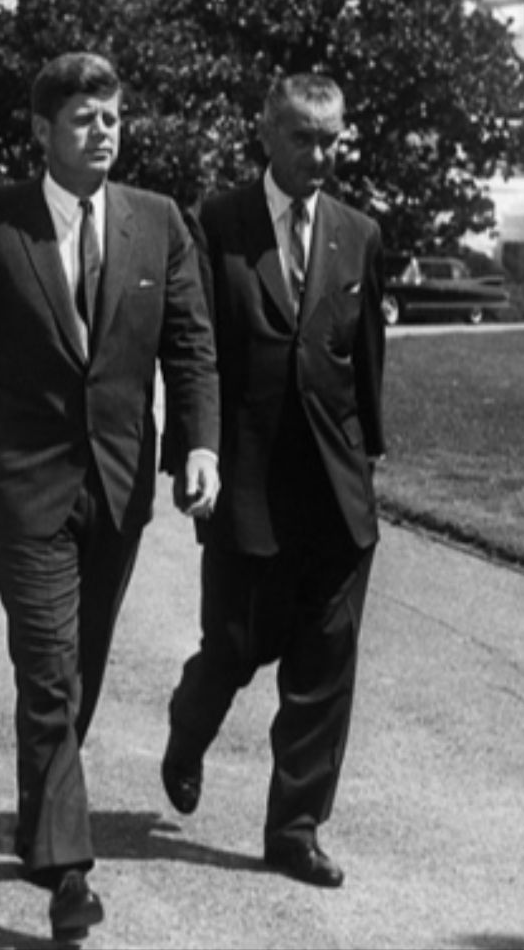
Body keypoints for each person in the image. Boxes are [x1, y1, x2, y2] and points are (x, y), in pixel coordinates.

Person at [0, 51, 220, 943]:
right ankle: (69, 877)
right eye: (84, 118)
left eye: (113, 117)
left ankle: (36, 821)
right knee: (49, 669)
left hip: (120, 488)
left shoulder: (158, 222)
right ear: (42, 131)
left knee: (75, 670)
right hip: (25, 488)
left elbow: (191, 346)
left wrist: (199, 444)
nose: (103, 132)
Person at [159, 74, 387, 890]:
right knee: (233, 647)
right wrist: (195, 454)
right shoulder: (216, 224)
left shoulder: (359, 234)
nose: (320, 156)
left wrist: (369, 467)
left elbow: (362, 361)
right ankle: (188, 732)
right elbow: (194, 351)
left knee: (325, 664)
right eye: (303, 139)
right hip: (244, 484)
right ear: (266, 132)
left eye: (331, 141)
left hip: (335, 490)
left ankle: (294, 828)